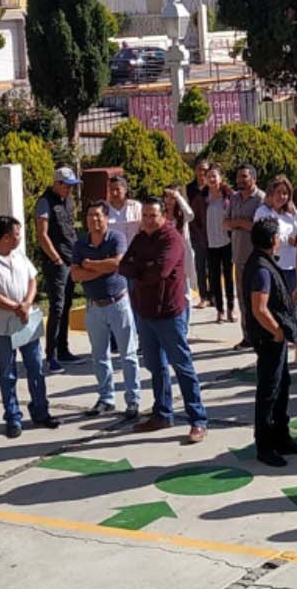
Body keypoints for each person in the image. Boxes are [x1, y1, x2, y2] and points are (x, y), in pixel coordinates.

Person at [122, 196, 206, 443]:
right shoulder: (140, 238)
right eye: (145, 215)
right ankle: (162, 413)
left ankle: (198, 419)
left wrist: (141, 267)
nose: (148, 220)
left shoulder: (172, 239)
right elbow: (124, 266)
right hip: (145, 312)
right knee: (155, 366)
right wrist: (141, 266)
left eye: (153, 215)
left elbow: (160, 272)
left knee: (182, 365)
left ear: (163, 216)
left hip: (169, 313)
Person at [0, 215, 58, 438]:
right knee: (7, 373)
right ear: (5, 237)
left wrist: (27, 304)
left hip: (25, 322)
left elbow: (32, 278)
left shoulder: (18, 254)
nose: (19, 238)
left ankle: (41, 410)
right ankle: (12, 416)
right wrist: (15, 307)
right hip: (3, 327)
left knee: (35, 367)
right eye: (17, 234)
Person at [243, 219, 297, 466]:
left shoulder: (265, 263)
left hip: (271, 336)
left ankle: (282, 437)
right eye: (278, 236)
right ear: (273, 240)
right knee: (269, 391)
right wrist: (277, 331)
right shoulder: (261, 268)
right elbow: (259, 307)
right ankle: (265, 445)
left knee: (281, 386)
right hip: (268, 338)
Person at [72, 202, 142, 419]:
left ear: (106, 218)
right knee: (99, 355)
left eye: (98, 216)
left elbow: (117, 264)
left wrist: (90, 265)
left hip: (118, 303)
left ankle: (133, 400)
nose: (94, 220)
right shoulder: (81, 243)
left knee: (127, 354)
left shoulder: (116, 238)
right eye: (90, 215)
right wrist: (101, 267)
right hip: (94, 307)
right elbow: (76, 275)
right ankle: (106, 398)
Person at [253, 177, 297, 367]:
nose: (282, 197)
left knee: (295, 309)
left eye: (285, 193)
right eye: (278, 192)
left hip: (291, 266)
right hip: (272, 268)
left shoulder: (294, 214)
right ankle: (277, 348)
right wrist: (287, 240)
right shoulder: (263, 212)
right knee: (273, 309)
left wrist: (296, 241)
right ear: (270, 193)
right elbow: (265, 237)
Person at [33, 167, 83, 368]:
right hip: (57, 263)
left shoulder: (68, 202)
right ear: (57, 183)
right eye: (67, 186)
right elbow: (42, 234)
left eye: (72, 186)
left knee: (67, 305)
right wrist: (56, 259)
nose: (70, 190)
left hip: (70, 259)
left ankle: (63, 349)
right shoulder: (45, 202)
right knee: (58, 307)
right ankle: (51, 354)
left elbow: (70, 229)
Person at [191, 164, 233, 321]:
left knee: (228, 276)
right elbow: (193, 219)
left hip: (227, 241)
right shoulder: (201, 198)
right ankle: (219, 310)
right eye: (209, 176)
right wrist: (201, 237)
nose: (212, 179)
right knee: (214, 278)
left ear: (221, 178)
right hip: (210, 243)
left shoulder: (229, 196)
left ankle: (230, 309)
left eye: (215, 176)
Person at [222, 165, 265, 285]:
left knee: (255, 297)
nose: (240, 180)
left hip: (255, 257)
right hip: (238, 256)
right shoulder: (234, 198)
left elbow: (259, 228)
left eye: (244, 176)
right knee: (242, 298)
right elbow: (225, 224)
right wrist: (242, 222)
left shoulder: (261, 199)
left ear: (254, 179)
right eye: (238, 177)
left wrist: (237, 222)